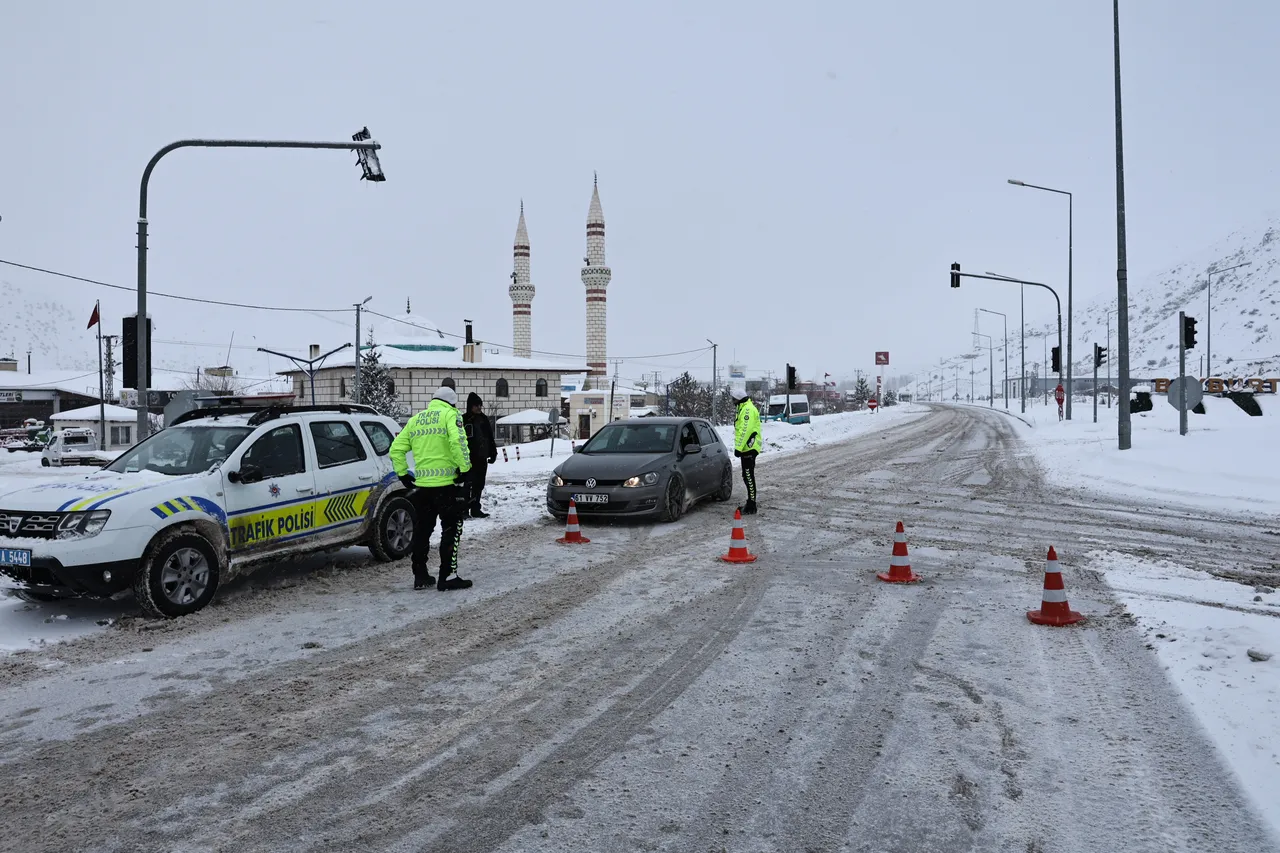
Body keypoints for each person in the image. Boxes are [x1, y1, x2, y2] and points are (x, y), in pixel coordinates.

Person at [389, 384, 474, 591]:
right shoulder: (450, 415)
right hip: (447, 487)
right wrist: (465, 469)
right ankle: (447, 576)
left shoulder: (416, 420)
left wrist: (403, 474)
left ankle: (420, 575)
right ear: (452, 403)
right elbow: (458, 442)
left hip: (422, 488)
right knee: (451, 530)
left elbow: (396, 448)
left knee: (422, 531)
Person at [462, 392, 498, 518]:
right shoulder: (464, 419)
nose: (479, 408)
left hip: (481, 458)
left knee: (479, 485)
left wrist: (493, 452)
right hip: (468, 459)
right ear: (470, 406)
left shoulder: (483, 419)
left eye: (480, 405)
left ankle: (475, 509)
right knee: (467, 485)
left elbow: (489, 437)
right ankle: (464, 510)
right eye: (476, 405)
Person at [733, 392, 762, 514]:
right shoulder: (744, 408)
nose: (733, 402)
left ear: (739, 399)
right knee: (747, 476)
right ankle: (750, 502)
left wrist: (738, 448)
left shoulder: (747, 410)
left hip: (749, 447)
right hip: (747, 447)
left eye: (734, 400)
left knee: (749, 476)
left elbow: (745, 430)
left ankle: (751, 506)